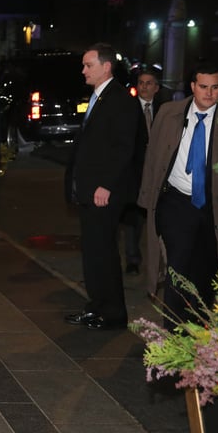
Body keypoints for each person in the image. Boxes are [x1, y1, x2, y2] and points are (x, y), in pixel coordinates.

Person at [137, 63, 218, 329]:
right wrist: (147, 199)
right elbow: (152, 157)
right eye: (203, 87)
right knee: (177, 266)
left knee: (207, 272)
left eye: (215, 87)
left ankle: (202, 332)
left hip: (215, 207)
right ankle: (173, 333)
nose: (209, 93)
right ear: (192, 86)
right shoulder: (169, 113)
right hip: (176, 201)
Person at [64, 43, 141, 331]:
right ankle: (96, 306)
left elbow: (123, 149)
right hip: (89, 188)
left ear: (106, 67)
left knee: (104, 251)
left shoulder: (120, 100)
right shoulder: (99, 96)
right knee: (93, 250)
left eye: (88, 65)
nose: (83, 70)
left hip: (103, 191)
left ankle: (113, 313)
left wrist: (105, 184)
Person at [122, 69, 164, 275]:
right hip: (135, 173)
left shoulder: (165, 110)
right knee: (133, 219)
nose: (144, 86)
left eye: (149, 83)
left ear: (156, 87)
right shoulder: (128, 109)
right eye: (141, 83)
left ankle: (162, 262)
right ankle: (132, 259)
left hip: (158, 173)